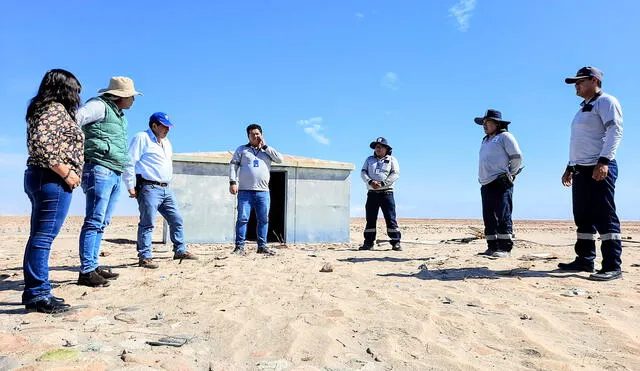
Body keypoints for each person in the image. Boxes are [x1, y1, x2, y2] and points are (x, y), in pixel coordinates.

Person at [22, 69, 83, 313]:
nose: (77, 95)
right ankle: (38, 294)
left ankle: (37, 291)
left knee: (38, 236)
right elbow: (43, 144)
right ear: (63, 88)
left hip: (42, 177)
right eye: (75, 90)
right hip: (52, 180)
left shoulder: (42, 108)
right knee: (42, 238)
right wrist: (66, 172)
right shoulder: (54, 109)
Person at [75, 76, 142, 287]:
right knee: (94, 220)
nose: (133, 100)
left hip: (112, 171)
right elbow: (75, 120)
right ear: (121, 96)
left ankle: (92, 266)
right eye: (131, 96)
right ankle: (86, 271)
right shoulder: (98, 106)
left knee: (102, 221)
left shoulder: (118, 114)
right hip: (99, 168)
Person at [559, 66, 623, 281]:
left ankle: (613, 266)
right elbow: (580, 142)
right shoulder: (583, 108)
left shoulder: (606, 101)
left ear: (594, 80)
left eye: (580, 82)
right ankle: (585, 259)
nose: (576, 86)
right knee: (583, 217)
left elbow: (615, 131)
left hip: (599, 167)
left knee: (604, 216)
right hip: (580, 169)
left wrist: (604, 161)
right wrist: (570, 166)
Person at [123, 112, 198, 269]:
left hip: (166, 189)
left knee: (176, 219)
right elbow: (129, 162)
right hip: (148, 187)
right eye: (164, 126)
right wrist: (130, 186)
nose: (167, 129)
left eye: (168, 126)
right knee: (147, 223)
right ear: (154, 125)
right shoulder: (141, 138)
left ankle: (180, 250)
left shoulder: (167, 143)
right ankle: (145, 256)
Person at [475, 109, 523, 258]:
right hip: (486, 183)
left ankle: (504, 248)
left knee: (503, 215)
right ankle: (492, 246)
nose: (484, 125)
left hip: (500, 182)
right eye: (483, 123)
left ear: (497, 123)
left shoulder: (505, 137)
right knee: (488, 216)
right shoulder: (486, 140)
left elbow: (517, 157)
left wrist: (511, 174)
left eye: (487, 122)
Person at [229, 123, 283, 255]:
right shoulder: (242, 150)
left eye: (257, 133)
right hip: (244, 191)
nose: (255, 136)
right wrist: (232, 182)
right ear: (248, 136)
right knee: (242, 218)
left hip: (263, 192)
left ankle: (262, 246)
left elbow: (280, 159)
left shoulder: (268, 151)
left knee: (263, 219)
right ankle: (239, 247)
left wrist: (265, 146)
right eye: (252, 134)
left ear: (261, 135)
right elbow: (233, 166)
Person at [359, 137, 402, 251]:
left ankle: (395, 242)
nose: (378, 149)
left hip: (386, 193)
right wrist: (370, 181)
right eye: (376, 147)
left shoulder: (392, 160)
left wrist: (383, 183)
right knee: (370, 219)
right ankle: (368, 243)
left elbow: (395, 174)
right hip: (372, 193)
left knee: (390, 218)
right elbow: (363, 172)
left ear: (386, 148)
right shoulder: (369, 159)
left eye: (380, 147)